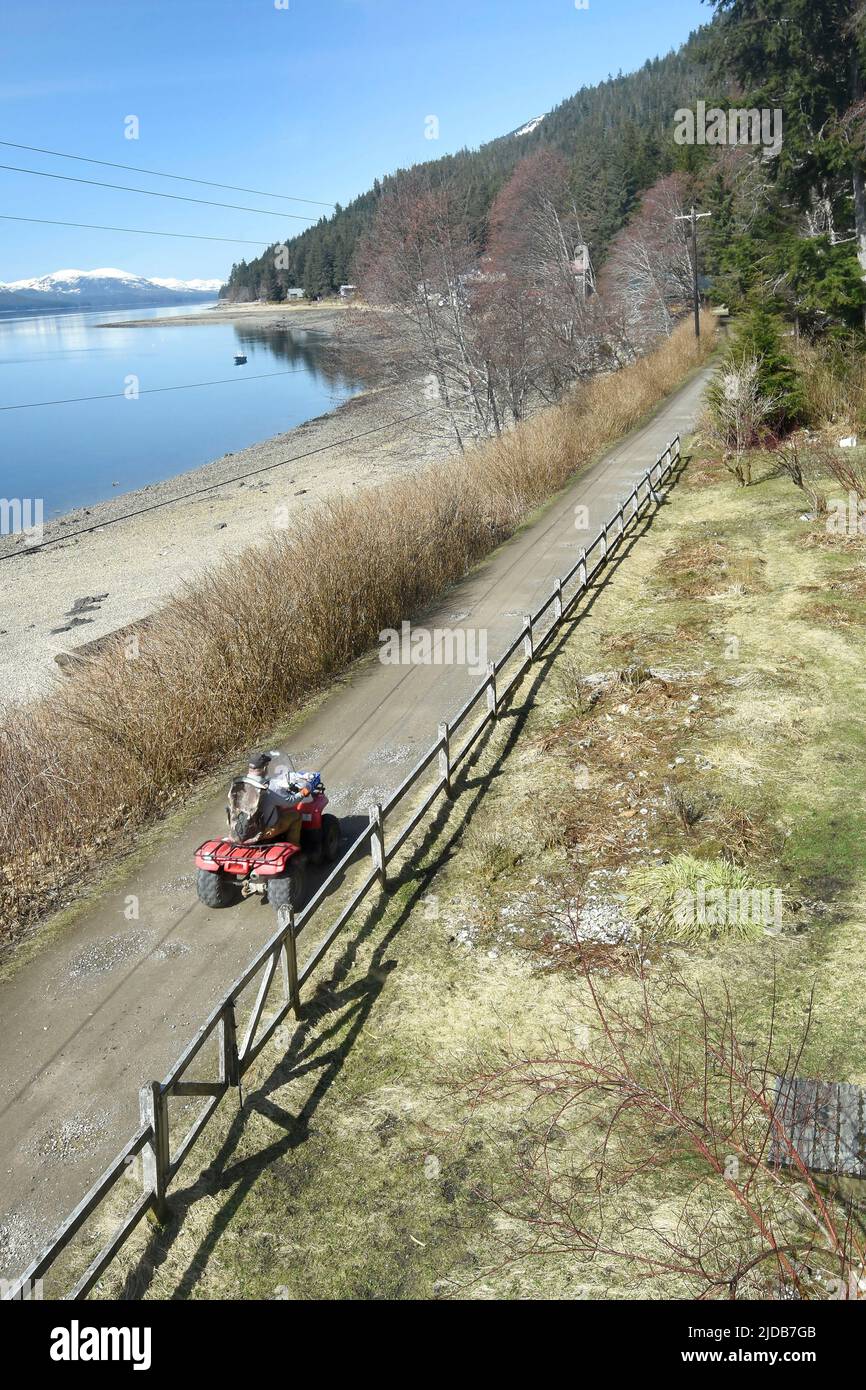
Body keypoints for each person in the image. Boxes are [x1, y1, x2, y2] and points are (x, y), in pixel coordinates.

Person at [242, 752, 304, 845]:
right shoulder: (269, 787)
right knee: (295, 816)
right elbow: (290, 801)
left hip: (242, 830)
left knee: (275, 808)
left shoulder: (239, 784)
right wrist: (302, 793)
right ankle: (295, 850)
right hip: (263, 831)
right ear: (264, 767)